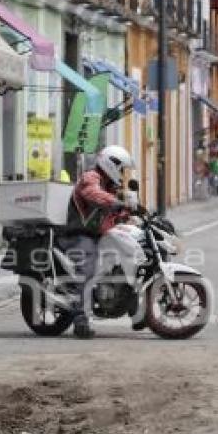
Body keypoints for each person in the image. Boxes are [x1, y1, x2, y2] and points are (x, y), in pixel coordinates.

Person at [65, 145, 136, 339]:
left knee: (127, 257)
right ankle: (80, 319)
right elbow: (95, 196)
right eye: (121, 169)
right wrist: (118, 203)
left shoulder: (109, 185)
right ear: (111, 164)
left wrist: (131, 214)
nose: (122, 174)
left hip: (100, 233)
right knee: (87, 270)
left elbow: (115, 211)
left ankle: (134, 307)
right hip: (81, 234)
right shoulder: (91, 178)